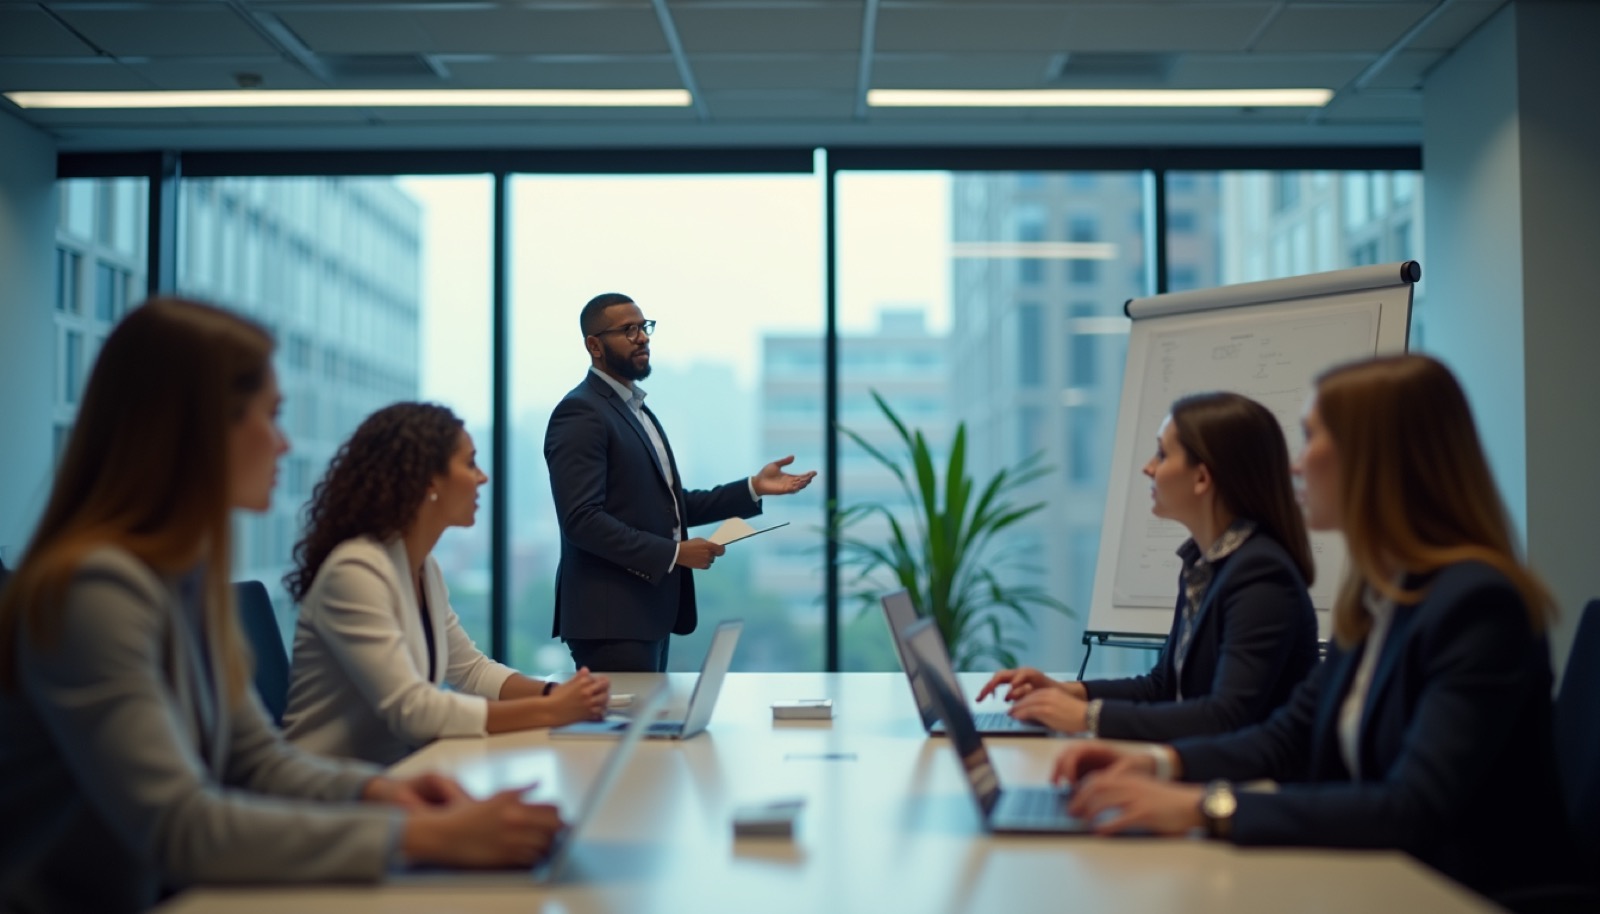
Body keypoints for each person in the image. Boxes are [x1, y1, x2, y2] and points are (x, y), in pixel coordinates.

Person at [0, 299, 563, 914]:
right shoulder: (95, 589)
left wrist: (380, 792)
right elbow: (178, 825)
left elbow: (255, 761)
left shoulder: (184, 580)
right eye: (271, 417)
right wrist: (423, 836)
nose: (284, 442)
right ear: (198, 430)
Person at [1053, 354, 1575, 899]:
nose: (1296, 465)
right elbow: (1285, 738)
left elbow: (1410, 807)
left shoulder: (1477, 606)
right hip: (1374, 881)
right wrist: (1158, 763)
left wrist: (1201, 806)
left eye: (1311, 438)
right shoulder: (1379, 596)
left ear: (1374, 456)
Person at [283, 402, 611, 766]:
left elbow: (470, 671)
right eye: (470, 463)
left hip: (397, 775)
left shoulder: (425, 568)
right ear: (429, 480)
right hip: (327, 795)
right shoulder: (355, 571)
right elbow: (414, 711)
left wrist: (557, 694)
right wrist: (553, 711)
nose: (482, 477)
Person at [976, 391, 1318, 740]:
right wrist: (1067, 693)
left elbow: (1224, 718)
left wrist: (1087, 716)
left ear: (1201, 478)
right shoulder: (1204, 563)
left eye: (1162, 454)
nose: (1148, 467)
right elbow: (1163, 687)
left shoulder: (1260, 575)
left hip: (1253, 786)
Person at [544, 292, 816, 672]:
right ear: (594, 346)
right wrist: (674, 554)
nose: (642, 337)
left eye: (644, 327)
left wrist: (752, 487)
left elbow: (666, 504)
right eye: (627, 330)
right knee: (623, 732)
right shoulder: (581, 412)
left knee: (649, 728)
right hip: (611, 621)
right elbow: (581, 521)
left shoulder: (635, 411)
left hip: (648, 612)